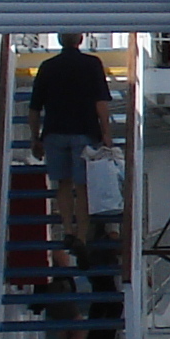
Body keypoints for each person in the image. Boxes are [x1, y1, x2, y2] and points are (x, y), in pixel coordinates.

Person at [28, 32, 113, 244]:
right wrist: (106, 133)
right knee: (82, 186)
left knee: (63, 185)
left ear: (59, 41)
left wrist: (35, 138)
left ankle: (67, 229)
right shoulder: (92, 64)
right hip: (84, 131)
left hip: (54, 132)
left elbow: (34, 107)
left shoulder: (47, 66)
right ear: (80, 40)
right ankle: (82, 236)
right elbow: (100, 103)